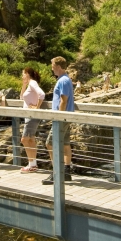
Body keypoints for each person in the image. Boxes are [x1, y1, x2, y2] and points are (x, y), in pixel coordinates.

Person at [42, 56, 75, 185]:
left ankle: (57, 172)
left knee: (50, 143)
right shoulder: (65, 80)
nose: (52, 68)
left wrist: (58, 117)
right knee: (65, 143)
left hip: (62, 118)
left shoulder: (63, 81)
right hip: (66, 117)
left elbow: (63, 101)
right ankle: (66, 172)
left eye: (53, 66)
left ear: (59, 67)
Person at [19, 67, 45, 173]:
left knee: (24, 140)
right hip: (30, 116)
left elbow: (42, 94)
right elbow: (21, 97)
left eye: (23, 74)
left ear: (27, 74)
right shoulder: (30, 84)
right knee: (31, 140)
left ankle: (31, 165)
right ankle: (33, 165)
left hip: (32, 116)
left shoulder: (33, 83)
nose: (22, 76)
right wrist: (24, 84)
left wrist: (37, 107)